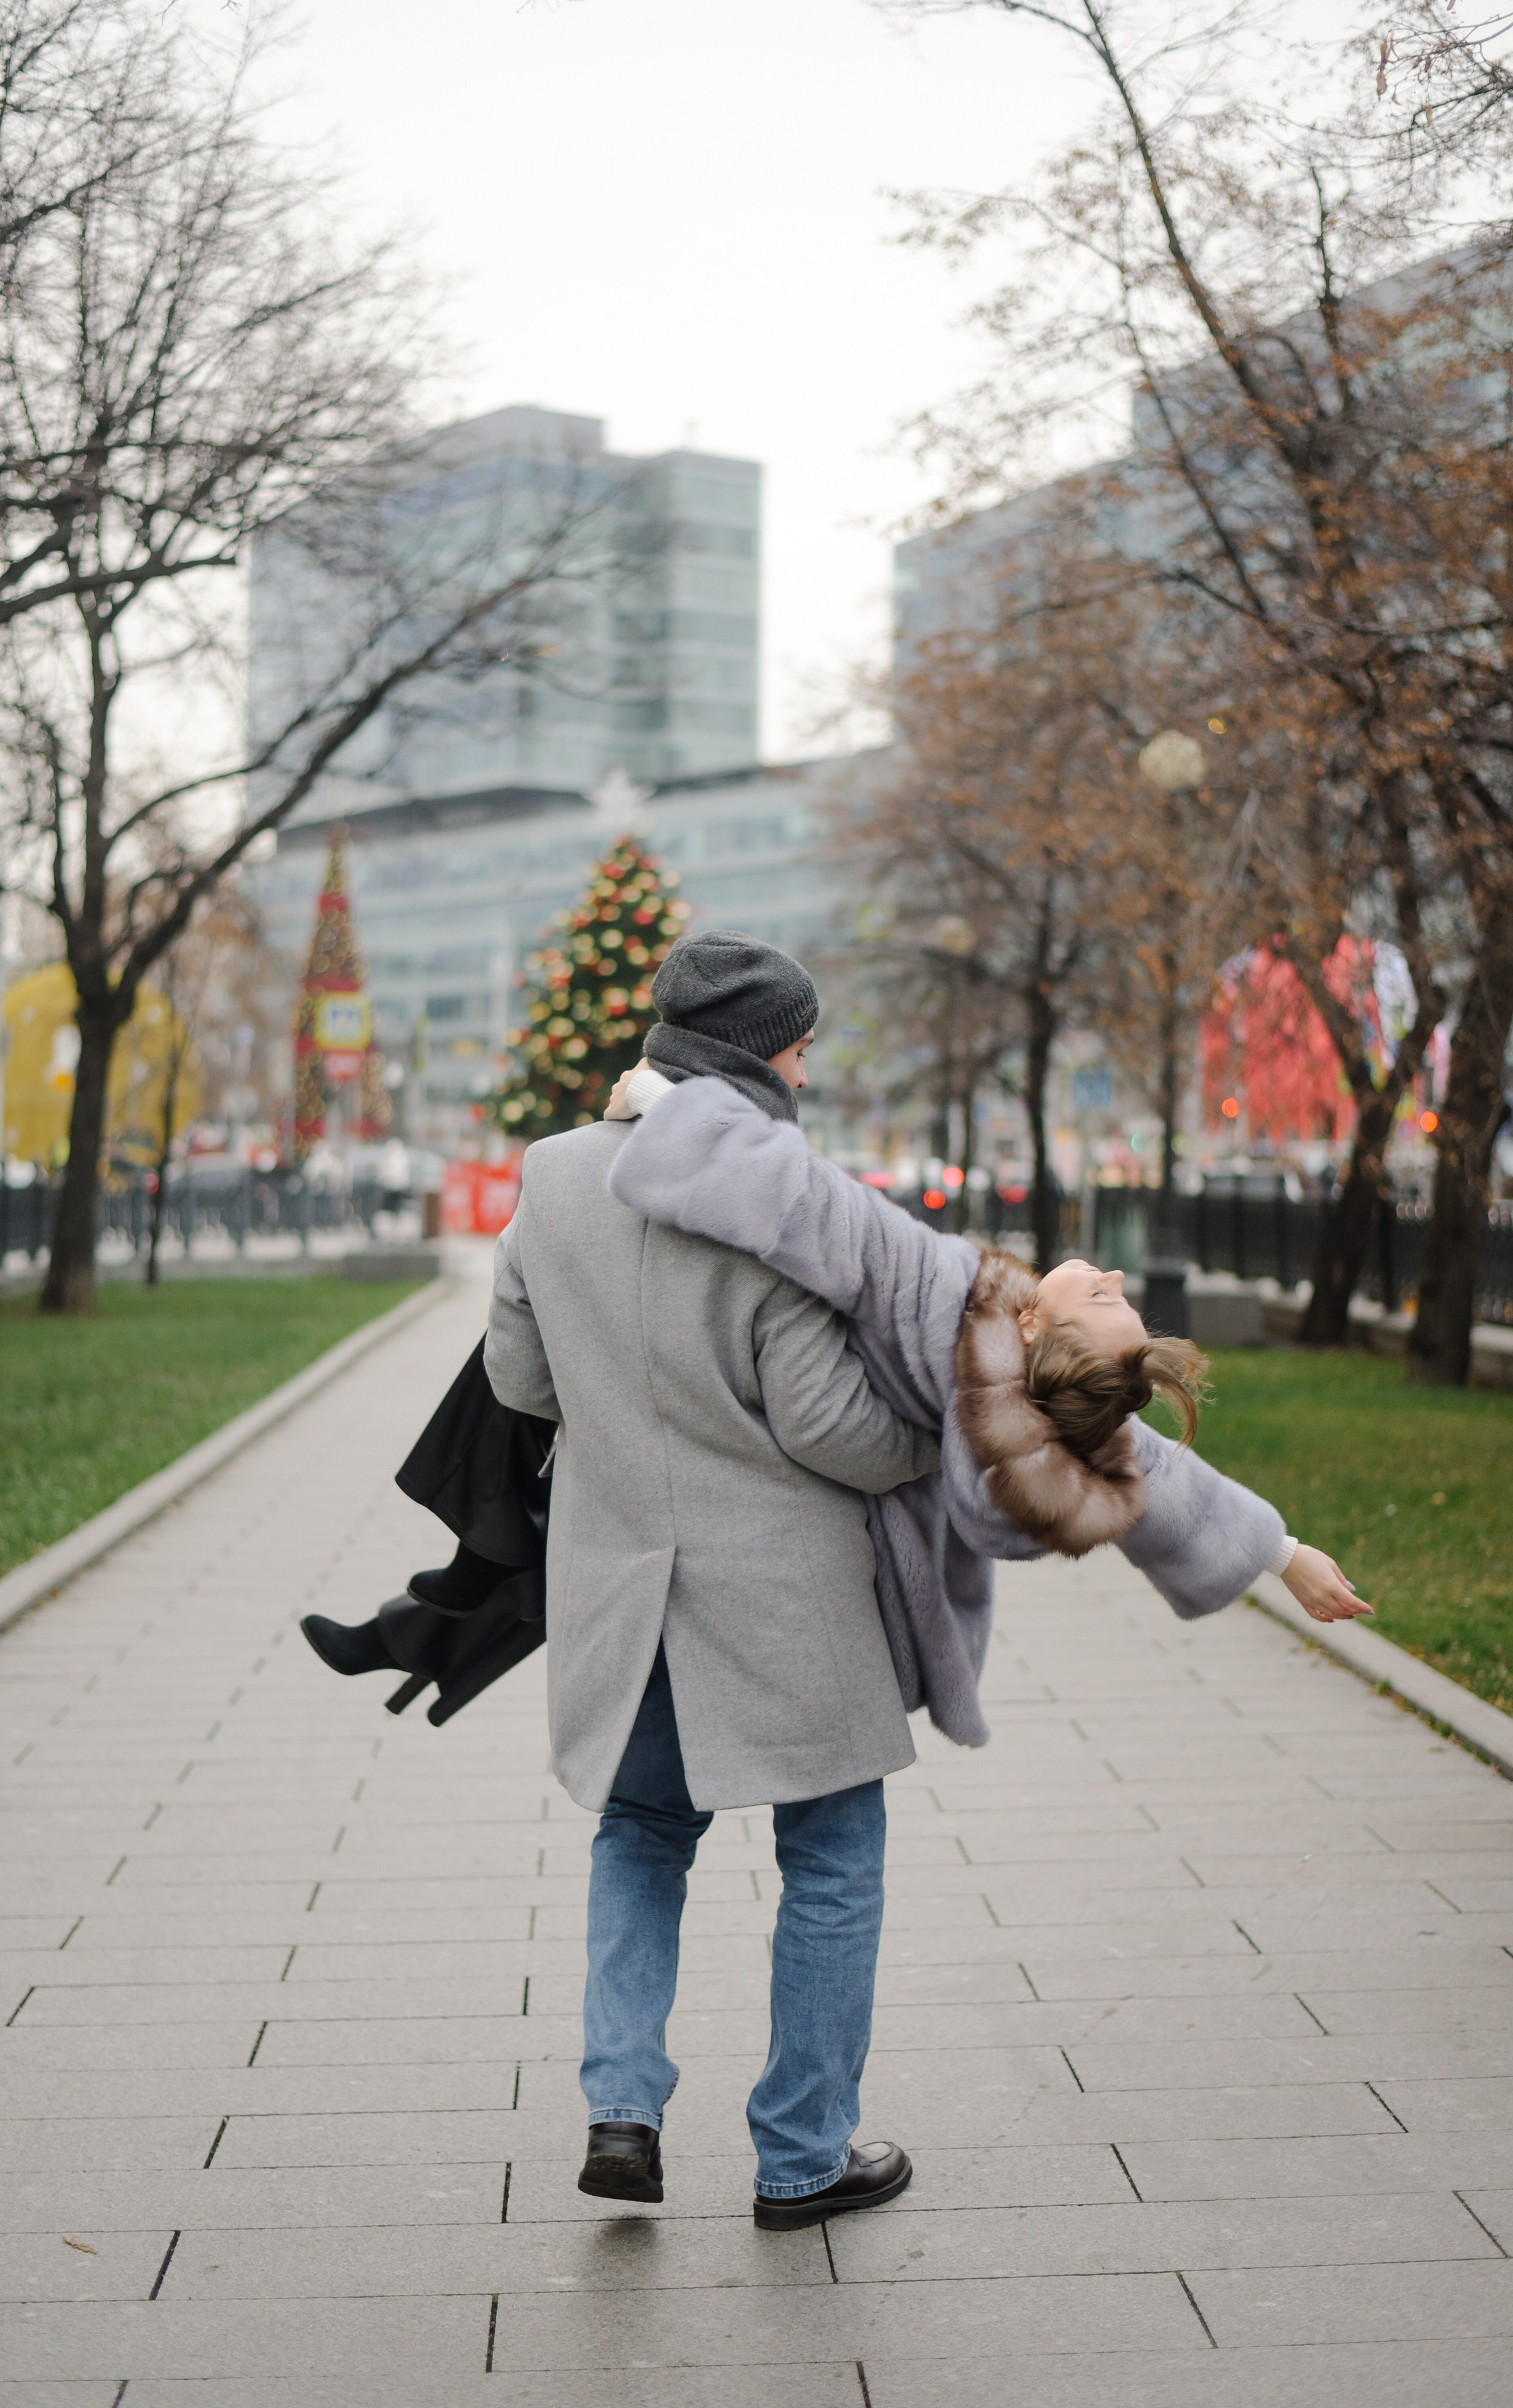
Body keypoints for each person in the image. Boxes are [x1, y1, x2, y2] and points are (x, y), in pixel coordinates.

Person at [483, 930, 943, 2233]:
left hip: (619, 1590)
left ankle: (621, 2109)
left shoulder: (554, 1173)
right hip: (781, 1593)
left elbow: (519, 1383)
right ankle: (802, 2158)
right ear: (765, 1054)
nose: (812, 1055)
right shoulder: (776, 1192)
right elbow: (826, 1427)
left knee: (637, 1834)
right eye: (803, 1036)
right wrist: (933, 1433)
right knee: (834, 1854)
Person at [602, 978, 1370, 1751]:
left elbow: (812, 1202)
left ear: (1032, 1324)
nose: (1118, 1278)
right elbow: (1157, 1472)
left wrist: (665, 1102)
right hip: (883, 1589)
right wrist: (1286, 1556)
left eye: (1103, 1299)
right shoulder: (1031, 1414)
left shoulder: (942, 1294)